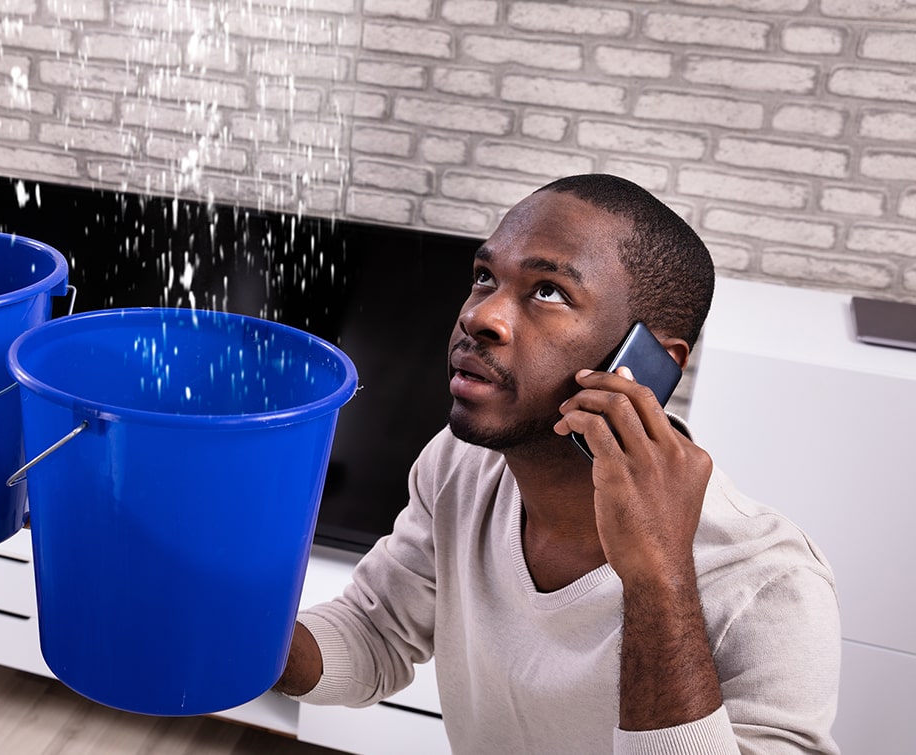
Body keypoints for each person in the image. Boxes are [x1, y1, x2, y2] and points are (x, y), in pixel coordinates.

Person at [274, 174, 841, 752]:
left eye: (548, 291)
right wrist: (233, 635)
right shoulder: (461, 465)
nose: (480, 316)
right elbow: (377, 632)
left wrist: (658, 577)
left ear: (645, 364)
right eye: (484, 277)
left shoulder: (771, 585)